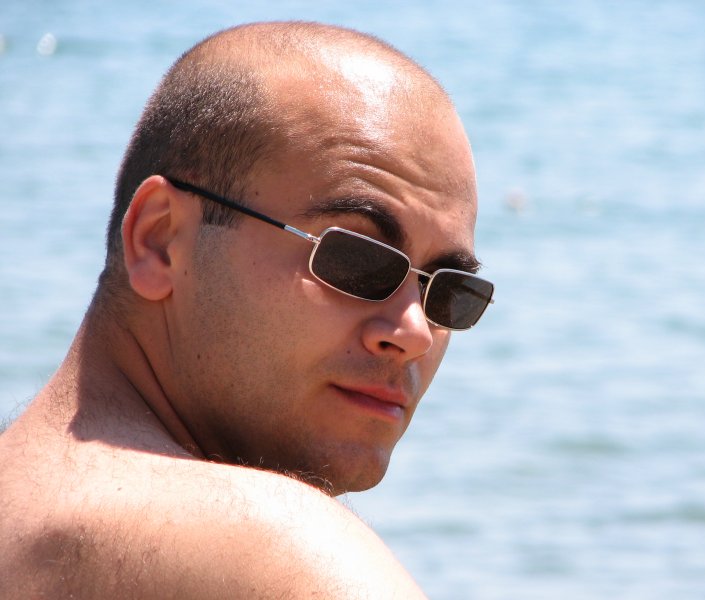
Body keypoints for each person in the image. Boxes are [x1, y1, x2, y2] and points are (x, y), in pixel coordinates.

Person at [0, 21, 494, 598]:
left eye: (448, 293)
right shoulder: (282, 554)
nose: (414, 332)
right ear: (160, 240)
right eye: (356, 259)